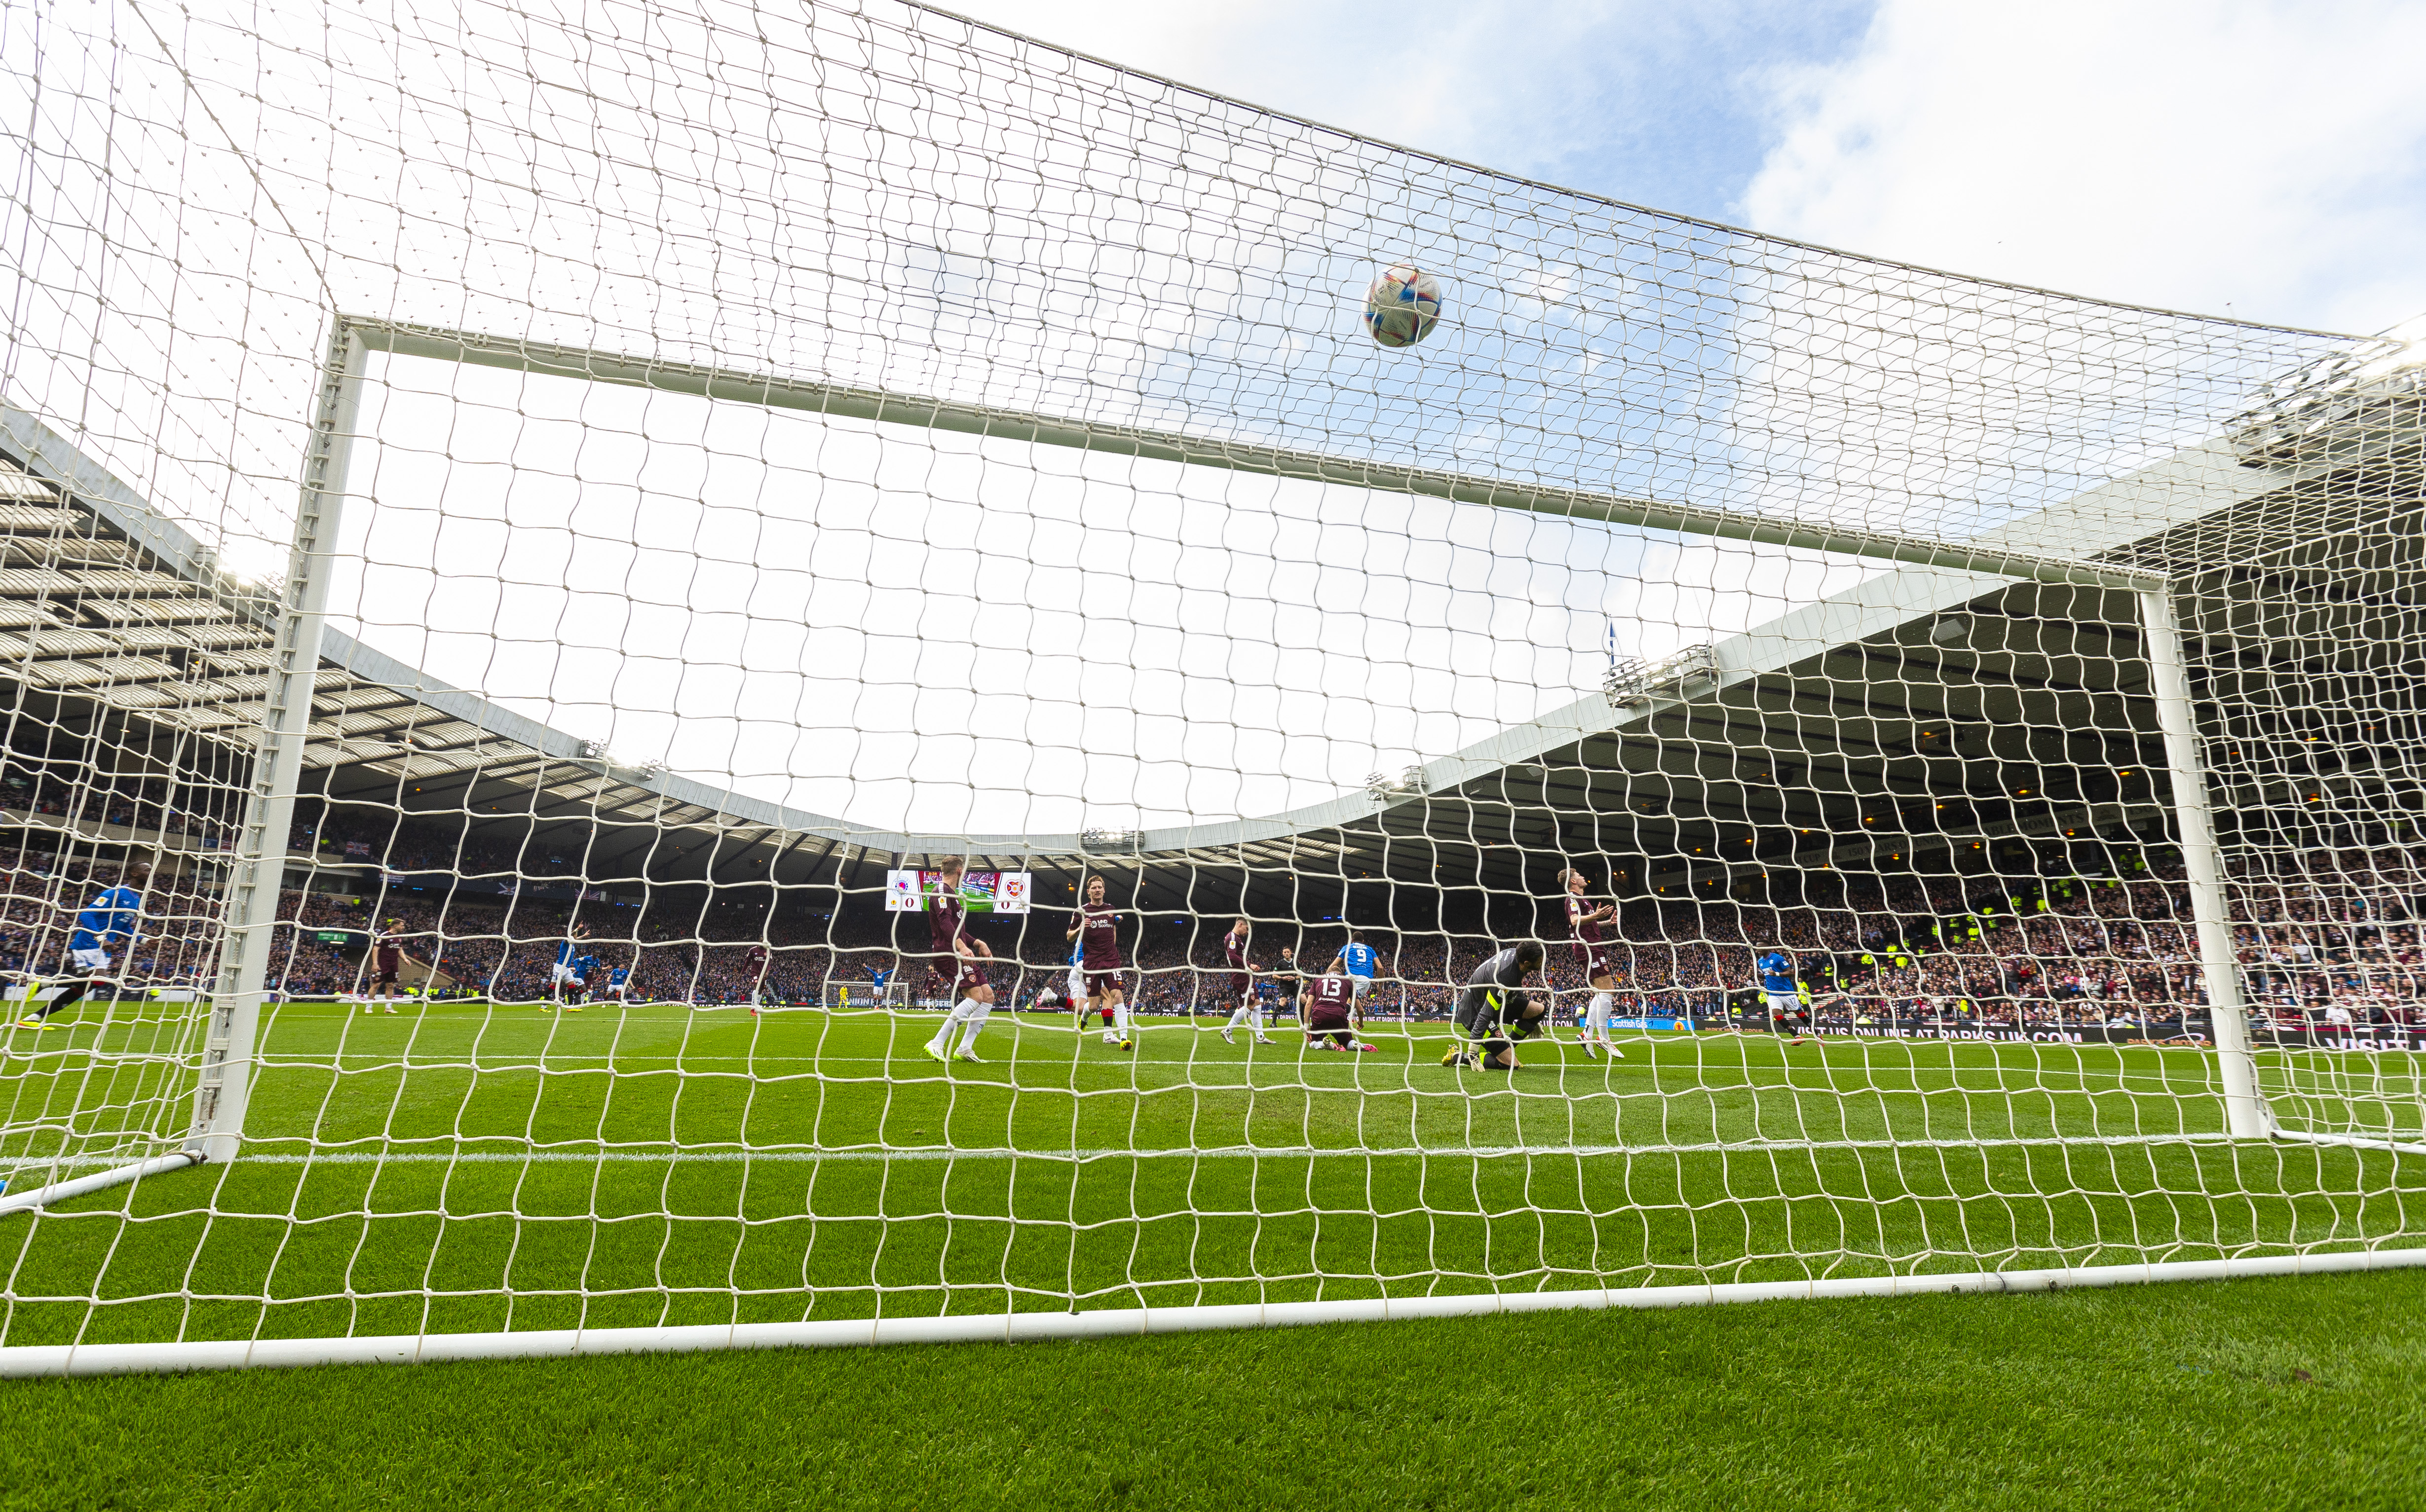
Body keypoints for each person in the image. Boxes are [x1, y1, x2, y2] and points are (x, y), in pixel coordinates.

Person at [19, 863, 148, 1029]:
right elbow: (87, 914)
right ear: (135, 873)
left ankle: (34, 1016)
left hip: (102, 946)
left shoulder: (136, 898)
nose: (151, 873)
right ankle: (44, 985)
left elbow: (123, 927)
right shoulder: (114, 893)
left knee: (84, 987)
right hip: (90, 941)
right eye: (147, 870)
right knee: (98, 980)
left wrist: (143, 940)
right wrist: (101, 937)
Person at [923, 857, 999, 1062]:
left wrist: (977, 943)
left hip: (960, 953)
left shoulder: (953, 895)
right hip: (948, 954)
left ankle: (965, 1048)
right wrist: (962, 947)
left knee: (987, 995)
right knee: (975, 996)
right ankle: (937, 1042)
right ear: (959, 870)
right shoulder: (941, 891)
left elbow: (958, 931)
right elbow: (944, 923)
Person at [1441, 940, 1549, 1072]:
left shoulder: (1518, 957)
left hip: (1495, 1003)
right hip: (1475, 1012)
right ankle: (1457, 1056)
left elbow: (1515, 987)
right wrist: (1473, 1049)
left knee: (1539, 1010)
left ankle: (1506, 1050)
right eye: (1540, 960)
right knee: (1511, 1065)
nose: (1543, 962)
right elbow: (1486, 1013)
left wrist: (1532, 1019)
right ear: (1527, 963)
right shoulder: (1505, 976)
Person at [1562, 868, 1625, 1060]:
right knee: (1608, 991)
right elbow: (1574, 921)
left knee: (1601, 993)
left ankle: (1586, 1034)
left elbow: (1589, 923)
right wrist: (1596, 916)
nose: (1583, 876)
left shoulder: (1584, 900)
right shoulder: (1572, 898)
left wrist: (1606, 923)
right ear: (1573, 882)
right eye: (1579, 875)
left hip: (1592, 946)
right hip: (1588, 948)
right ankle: (1604, 1038)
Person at [1066, 873, 1131, 1050]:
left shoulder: (1111, 909)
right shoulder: (1082, 912)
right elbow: (1069, 937)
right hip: (1091, 963)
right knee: (1094, 1005)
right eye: (1093, 888)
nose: (1097, 890)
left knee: (1117, 995)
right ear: (1088, 892)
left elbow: (1113, 931)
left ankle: (1124, 1038)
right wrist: (1080, 928)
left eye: (1099, 887)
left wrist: (1112, 950)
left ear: (1104, 890)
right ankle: (1084, 1019)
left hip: (1111, 960)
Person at [1218, 917, 1271, 1046]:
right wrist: (1249, 964)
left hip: (1246, 975)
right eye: (1247, 929)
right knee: (1250, 1006)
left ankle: (1260, 1037)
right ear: (1240, 924)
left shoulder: (1238, 939)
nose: (1248, 932)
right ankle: (1227, 1031)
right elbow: (1232, 956)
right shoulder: (1232, 937)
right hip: (1241, 975)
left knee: (1257, 1005)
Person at [1302, 966, 1374, 1052]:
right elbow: (1360, 1009)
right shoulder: (1348, 981)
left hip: (1320, 1015)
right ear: (1340, 973)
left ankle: (1323, 1044)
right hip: (1339, 1015)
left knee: (1312, 1042)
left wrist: (1306, 1026)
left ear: (1328, 973)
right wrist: (1361, 1022)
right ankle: (1356, 1044)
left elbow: (1309, 1004)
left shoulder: (1318, 979)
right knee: (1348, 1042)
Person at [1758, 946, 1809, 1045]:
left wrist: (1777, 974)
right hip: (1773, 993)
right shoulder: (1760, 961)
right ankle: (1797, 1036)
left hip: (1786, 991)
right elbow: (1768, 975)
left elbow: (1790, 972)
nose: (1758, 949)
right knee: (1776, 1014)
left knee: (1799, 1013)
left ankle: (1817, 1034)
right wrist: (1758, 975)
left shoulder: (1777, 958)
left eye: (1761, 947)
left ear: (1767, 947)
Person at [1328, 930, 1381, 1017]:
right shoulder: (1370, 950)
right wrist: (1380, 986)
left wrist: (1325, 979)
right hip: (1364, 979)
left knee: (1342, 1001)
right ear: (1363, 941)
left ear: (1352, 940)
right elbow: (1380, 967)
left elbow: (1334, 965)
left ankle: (1327, 1017)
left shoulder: (1348, 947)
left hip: (1349, 977)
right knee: (1350, 1001)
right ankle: (1335, 1019)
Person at [365, 917, 404, 1016]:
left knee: (390, 986)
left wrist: (405, 959)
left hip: (393, 964)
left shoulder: (399, 937)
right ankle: (369, 1006)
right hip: (382, 965)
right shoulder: (384, 936)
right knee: (376, 985)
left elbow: (400, 949)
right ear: (395, 926)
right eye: (402, 925)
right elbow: (375, 949)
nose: (403, 927)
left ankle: (388, 1007)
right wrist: (375, 963)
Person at [550, 926, 588, 1009]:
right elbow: (569, 937)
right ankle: (544, 1004)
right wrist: (577, 929)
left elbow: (575, 939)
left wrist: (584, 936)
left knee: (572, 986)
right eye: (576, 935)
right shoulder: (566, 943)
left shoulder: (572, 945)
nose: (576, 937)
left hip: (567, 968)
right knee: (554, 986)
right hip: (560, 966)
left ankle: (571, 1006)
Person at [1270, 945, 1302, 1034]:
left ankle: (1301, 1019)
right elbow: (1274, 976)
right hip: (1284, 986)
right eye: (1285, 952)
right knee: (1283, 1002)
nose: (1287, 954)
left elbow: (1301, 975)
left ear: (1291, 952)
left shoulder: (1296, 963)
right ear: (1283, 954)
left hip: (1294, 985)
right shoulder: (1280, 963)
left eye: (1288, 952)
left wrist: (1294, 978)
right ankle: (1273, 1022)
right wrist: (1282, 978)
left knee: (1304, 1000)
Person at [564, 947, 600, 1012]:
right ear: (593, 953)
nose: (598, 955)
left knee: (575, 990)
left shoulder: (597, 960)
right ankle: (571, 998)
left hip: (581, 977)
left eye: (599, 954)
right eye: (596, 953)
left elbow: (597, 967)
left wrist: (598, 969)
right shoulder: (587, 958)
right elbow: (576, 961)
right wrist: (577, 969)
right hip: (576, 976)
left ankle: (568, 998)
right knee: (584, 989)